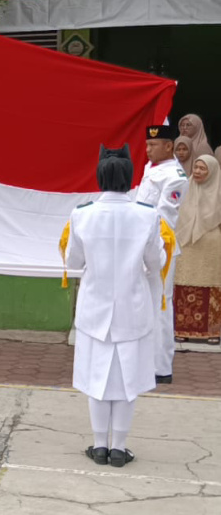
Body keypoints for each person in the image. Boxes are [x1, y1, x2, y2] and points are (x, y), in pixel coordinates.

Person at [62, 144, 171, 469]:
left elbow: (74, 261)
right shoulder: (147, 216)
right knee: (127, 381)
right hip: (132, 309)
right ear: (129, 177)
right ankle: (119, 447)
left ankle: (99, 445)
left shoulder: (82, 214)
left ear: (100, 176)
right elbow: (155, 262)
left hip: (95, 311)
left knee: (97, 377)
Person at [135, 125, 188, 384]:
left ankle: (161, 367)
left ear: (168, 146)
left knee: (161, 306)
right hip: (142, 243)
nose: (147, 150)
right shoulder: (152, 168)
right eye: (146, 145)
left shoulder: (176, 177)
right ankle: (145, 361)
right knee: (145, 304)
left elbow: (165, 217)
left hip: (161, 246)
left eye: (152, 146)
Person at [174, 155, 221, 345]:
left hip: (210, 245)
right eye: (196, 167)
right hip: (186, 244)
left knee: (211, 285)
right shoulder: (185, 189)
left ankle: (212, 332)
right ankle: (182, 329)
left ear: (212, 171)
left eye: (203, 169)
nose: (198, 172)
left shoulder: (218, 192)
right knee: (184, 284)